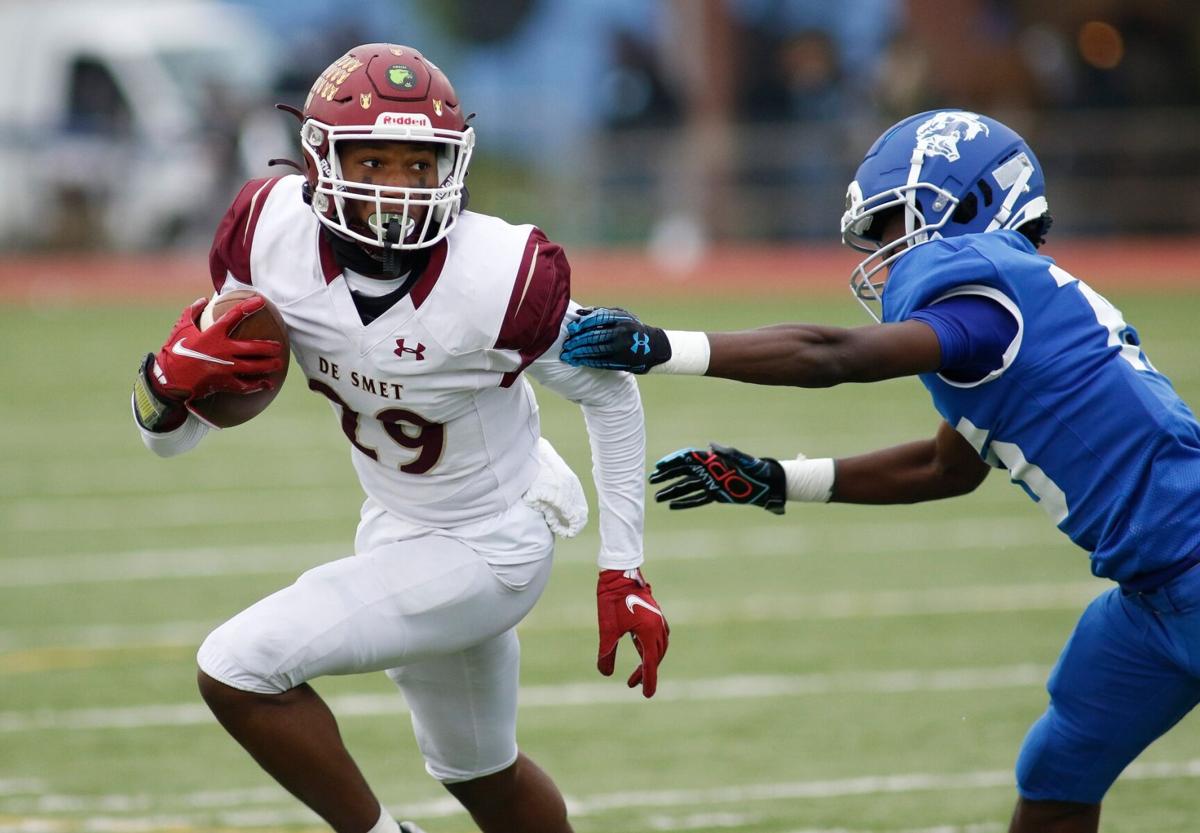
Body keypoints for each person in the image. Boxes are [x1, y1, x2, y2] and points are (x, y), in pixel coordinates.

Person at [560, 109, 1200, 833]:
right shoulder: (1011, 313)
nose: (887, 252)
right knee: (1057, 777)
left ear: (967, 204)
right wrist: (776, 479)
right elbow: (945, 465)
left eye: (896, 223)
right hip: (1153, 596)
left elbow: (838, 356)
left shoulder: (992, 299)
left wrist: (660, 344)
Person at [129, 43, 669, 833]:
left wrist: (623, 568)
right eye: (373, 160)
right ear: (318, 159)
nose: (399, 188)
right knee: (482, 774)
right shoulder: (267, 234)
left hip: (493, 545)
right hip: (395, 523)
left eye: (421, 164)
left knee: (236, 666)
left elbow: (609, 391)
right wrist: (164, 388)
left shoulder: (499, 273)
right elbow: (170, 441)